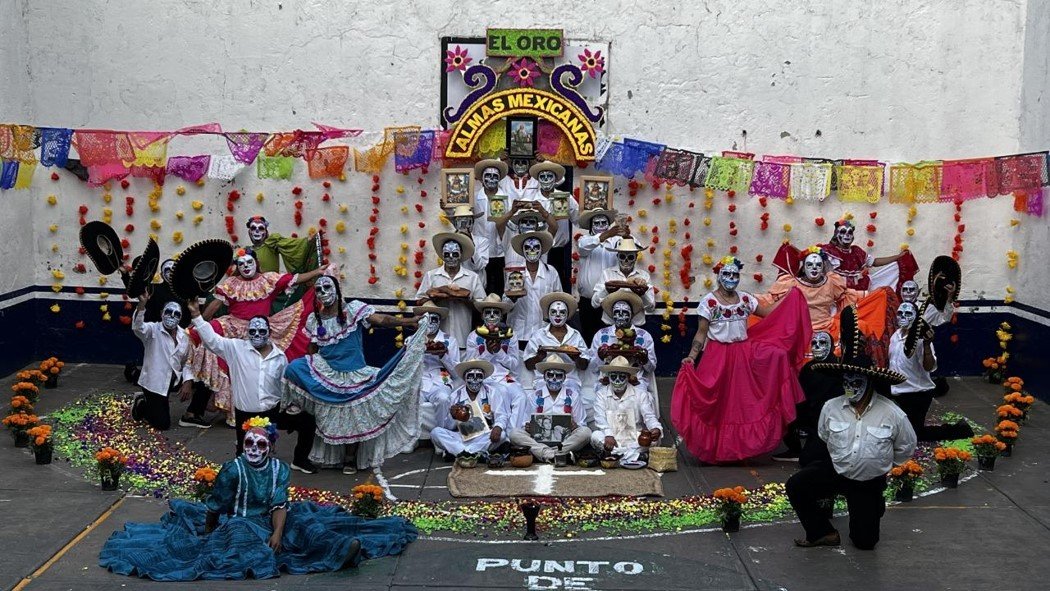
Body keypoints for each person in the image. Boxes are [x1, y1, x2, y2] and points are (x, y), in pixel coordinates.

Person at [99, 419, 418, 581]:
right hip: (238, 521)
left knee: (305, 525)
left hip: (272, 518)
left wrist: (278, 532)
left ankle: (340, 549)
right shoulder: (232, 469)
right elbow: (215, 506)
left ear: (271, 448)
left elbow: (280, 503)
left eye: (260, 444)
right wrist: (209, 534)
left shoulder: (278, 469)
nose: (253, 448)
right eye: (249, 442)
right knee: (243, 543)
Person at [787, 305, 917, 550]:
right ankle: (821, 531)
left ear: (869, 383)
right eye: (846, 382)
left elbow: (905, 448)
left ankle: (873, 503)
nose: (850, 388)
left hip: (867, 480)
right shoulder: (831, 407)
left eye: (857, 382)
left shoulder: (892, 413)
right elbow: (824, 437)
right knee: (797, 485)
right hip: (836, 469)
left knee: (865, 542)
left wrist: (878, 467)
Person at [672, 256, 810, 463]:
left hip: (743, 355)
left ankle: (737, 450)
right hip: (717, 356)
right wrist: (692, 356)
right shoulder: (709, 302)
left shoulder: (745, 299)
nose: (731, 278)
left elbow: (770, 313)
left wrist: (790, 296)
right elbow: (701, 333)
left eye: (734, 274)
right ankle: (715, 449)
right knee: (715, 401)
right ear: (719, 276)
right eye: (726, 274)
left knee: (740, 404)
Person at [282, 275, 427, 474]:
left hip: (354, 374)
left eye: (327, 287)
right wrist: (312, 373)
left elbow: (381, 320)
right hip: (327, 372)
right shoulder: (313, 320)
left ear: (337, 289)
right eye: (319, 289)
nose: (323, 292)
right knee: (293, 368)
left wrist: (409, 320)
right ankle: (298, 406)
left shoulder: (352, 310)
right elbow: (312, 348)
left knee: (354, 414)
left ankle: (350, 459)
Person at [187, 248, 329, 424]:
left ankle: (268, 407)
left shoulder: (268, 279)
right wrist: (197, 321)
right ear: (237, 266)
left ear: (257, 263)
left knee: (262, 372)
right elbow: (215, 305)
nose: (246, 266)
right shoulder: (231, 284)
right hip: (234, 331)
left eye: (249, 262)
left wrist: (317, 271)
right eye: (242, 264)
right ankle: (204, 411)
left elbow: (295, 279)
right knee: (211, 352)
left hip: (261, 331)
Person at [189, 298, 317, 473]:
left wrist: (291, 404)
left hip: (273, 412)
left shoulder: (280, 357)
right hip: (246, 416)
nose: (256, 335)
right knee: (246, 460)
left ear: (269, 332)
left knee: (307, 421)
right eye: (253, 331)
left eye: (261, 331)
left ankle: (300, 460)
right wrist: (196, 315)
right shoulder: (236, 349)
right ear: (247, 332)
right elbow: (212, 340)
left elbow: (285, 385)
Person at [760, 245, 895, 361]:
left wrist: (872, 295)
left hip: (828, 327)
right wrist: (751, 301)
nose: (814, 268)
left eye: (818, 265)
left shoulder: (831, 282)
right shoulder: (792, 284)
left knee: (860, 327)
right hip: (799, 331)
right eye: (810, 265)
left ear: (823, 267)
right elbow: (773, 301)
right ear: (804, 267)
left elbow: (847, 296)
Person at [887, 302, 973, 441]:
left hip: (916, 393)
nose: (903, 317)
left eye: (908, 314)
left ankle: (959, 430)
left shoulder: (921, 341)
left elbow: (929, 366)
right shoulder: (895, 336)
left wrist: (926, 345)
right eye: (900, 313)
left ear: (915, 318)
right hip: (897, 391)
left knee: (915, 434)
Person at [130, 294, 209, 430]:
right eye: (168, 312)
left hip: (173, 381)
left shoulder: (184, 336)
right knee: (162, 424)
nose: (172, 316)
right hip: (154, 384)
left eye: (176, 314)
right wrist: (142, 304)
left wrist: (187, 382)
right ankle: (142, 404)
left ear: (180, 317)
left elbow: (187, 361)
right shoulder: (152, 330)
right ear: (161, 313)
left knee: (206, 379)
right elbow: (138, 327)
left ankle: (189, 412)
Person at [430, 360, 520, 459]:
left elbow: (501, 415)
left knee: (502, 436)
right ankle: (473, 453)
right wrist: (453, 416)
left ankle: (461, 453)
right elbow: (448, 427)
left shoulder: (493, 392)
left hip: (484, 436)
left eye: (479, 376)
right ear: (464, 378)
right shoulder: (455, 396)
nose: (475, 380)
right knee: (436, 432)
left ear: (484, 377)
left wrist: (498, 427)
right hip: (462, 436)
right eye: (471, 376)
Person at [509, 354, 591, 462]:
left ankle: (546, 454)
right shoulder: (534, 396)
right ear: (544, 377)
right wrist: (528, 426)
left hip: (565, 440)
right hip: (539, 440)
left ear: (565, 377)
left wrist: (575, 426)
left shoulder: (573, 396)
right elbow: (525, 423)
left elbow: (582, 424)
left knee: (586, 432)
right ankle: (556, 454)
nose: (554, 379)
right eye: (550, 375)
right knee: (514, 434)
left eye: (558, 376)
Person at [772, 331, 838, 463]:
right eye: (814, 343)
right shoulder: (808, 368)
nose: (817, 347)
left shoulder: (836, 368)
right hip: (808, 411)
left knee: (810, 459)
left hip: (829, 415)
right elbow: (800, 393)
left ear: (831, 347)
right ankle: (794, 449)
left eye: (822, 343)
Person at [415, 232, 486, 348]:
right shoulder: (431, 276)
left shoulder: (473, 277)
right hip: (434, 339)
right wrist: (435, 299)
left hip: (462, 338)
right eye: (447, 254)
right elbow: (419, 301)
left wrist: (464, 299)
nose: (451, 257)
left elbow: (481, 307)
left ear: (461, 254)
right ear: (442, 255)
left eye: (455, 254)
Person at [244, 215, 323, 312]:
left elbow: (291, 245)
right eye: (253, 228)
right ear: (249, 232)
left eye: (260, 228)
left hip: (272, 290)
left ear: (266, 232)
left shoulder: (271, 244)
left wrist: (309, 241)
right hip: (252, 293)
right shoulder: (245, 252)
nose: (257, 231)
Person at [588, 290, 658, 399]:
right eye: (617, 312)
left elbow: (651, 368)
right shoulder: (602, 335)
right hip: (607, 380)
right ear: (612, 314)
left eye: (624, 313)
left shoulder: (643, 336)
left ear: (631, 315)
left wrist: (644, 360)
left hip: (635, 381)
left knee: (641, 398)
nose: (620, 316)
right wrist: (599, 357)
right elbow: (592, 368)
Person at [591, 356, 661, 462]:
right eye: (614, 377)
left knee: (654, 440)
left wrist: (655, 428)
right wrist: (609, 435)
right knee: (595, 436)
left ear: (628, 377)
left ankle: (617, 455)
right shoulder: (601, 394)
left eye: (622, 377)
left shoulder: (641, 394)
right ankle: (634, 455)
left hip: (634, 437)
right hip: (611, 437)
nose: (617, 381)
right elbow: (600, 419)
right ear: (608, 377)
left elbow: (649, 416)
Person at [818, 218, 917, 290]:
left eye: (850, 232)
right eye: (843, 232)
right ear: (836, 235)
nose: (847, 235)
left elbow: (874, 261)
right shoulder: (828, 250)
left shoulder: (856, 251)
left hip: (860, 290)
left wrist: (898, 257)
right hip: (837, 292)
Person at [523, 292, 590, 393]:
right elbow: (528, 365)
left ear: (567, 315)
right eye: (553, 312)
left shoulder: (575, 335)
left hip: (569, 380)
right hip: (543, 380)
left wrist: (575, 357)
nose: (558, 315)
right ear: (548, 314)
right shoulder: (538, 335)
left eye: (562, 312)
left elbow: (584, 366)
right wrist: (539, 357)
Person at [576, 207, 625, 339]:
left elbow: (633, 249)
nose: (600, 226)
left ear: (608, 224)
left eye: (603, 223)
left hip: (612, 301)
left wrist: (627, 236)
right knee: (589, 339)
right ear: (591, 226)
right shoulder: (584, 240)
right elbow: (583, 248)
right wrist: (607, 235)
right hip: (588, 302)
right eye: (596, 223)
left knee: (614, 339)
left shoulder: (618, 241)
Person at [506, 231, 561, 346]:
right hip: (518, 332)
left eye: (536, 247)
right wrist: (512, 298)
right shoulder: (514, 272)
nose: (532, 250)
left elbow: (558, 301)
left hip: (543, 333)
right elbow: (505, 304)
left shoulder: (551, 272)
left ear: (541, 250)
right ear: (522, 250)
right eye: (527, 247)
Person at [531, 160, 578, 292]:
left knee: (558, 287)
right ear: (538, 179)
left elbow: (578, 220)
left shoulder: (565, 197)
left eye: (549, 176)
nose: (546, 180)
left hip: (558, 250)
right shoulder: (532, 199)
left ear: (555, 179)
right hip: (536, 250)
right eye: (543, 177)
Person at [414, 304, 460, 438]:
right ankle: (412, 438)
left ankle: (442, 436)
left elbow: (456, 372)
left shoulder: (449, 341)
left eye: (433, 319)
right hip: (419, 382)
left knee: (443, 398)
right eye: (426, 319)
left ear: (439, 321)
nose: (430, 323)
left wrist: (443, 355)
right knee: (410, 399)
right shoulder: (412, 340)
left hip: (441, 381)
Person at [589, 237, 656, 314]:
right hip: (611, 324)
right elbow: (594, 304)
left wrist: (642, 295)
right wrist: (606, 291)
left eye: (630, 257)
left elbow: (651, 308)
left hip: (635, 324)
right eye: (622, 256)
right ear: (617, 256)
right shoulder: (607, 274)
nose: (626, 261)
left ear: (636, 258)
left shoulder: (644, 276)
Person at [473, 159, 509, 293]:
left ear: (499, 179)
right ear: (482, 178)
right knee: (480, 288)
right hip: (479, 251)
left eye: (495, 176)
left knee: (500, 288)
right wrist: (448, 208)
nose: (491, 179)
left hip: (500, 251)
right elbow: (462, 217)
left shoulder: (507, 197)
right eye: (488, 175)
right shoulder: (474, 198)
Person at [447, 205, 490, 285]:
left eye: (467, 221)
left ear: (472, 222)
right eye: (460, 221)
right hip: (455, 286)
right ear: (455, 224)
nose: (464, 225)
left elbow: (479, 266)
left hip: (477, 286)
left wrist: (470, 241)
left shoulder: (482, 241)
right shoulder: (448, 242)